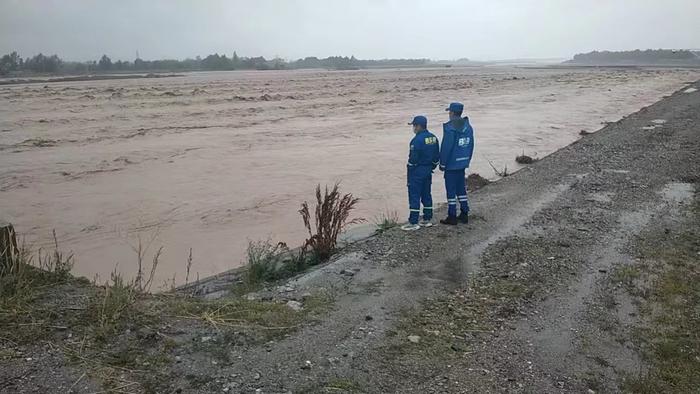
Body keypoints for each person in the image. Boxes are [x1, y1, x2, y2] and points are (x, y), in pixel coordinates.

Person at [401, 115, 440, 231]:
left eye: (414, 126)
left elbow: (413, 159)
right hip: (428, 170)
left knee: (414, 195)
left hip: (417, 171)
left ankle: (413, 222)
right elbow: (436, 157)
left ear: (418, 126)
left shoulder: (416, 141)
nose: (413, 128)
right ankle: (427, 219)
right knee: (426, 194)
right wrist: (432, 166)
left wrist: (410, 168)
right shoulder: (433, 138)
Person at [439, 102, 475, 225]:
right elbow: (471, 145)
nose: (449, 114)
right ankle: (464, 213)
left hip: (451, 165)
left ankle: (452, 216)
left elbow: (446, 148)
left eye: (449, 112)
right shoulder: (468, 126)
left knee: (451, 191)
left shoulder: (450, 128)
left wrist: (442, 164)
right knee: (461, 189)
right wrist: (467, 160)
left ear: (453, 113)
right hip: (462, 163)